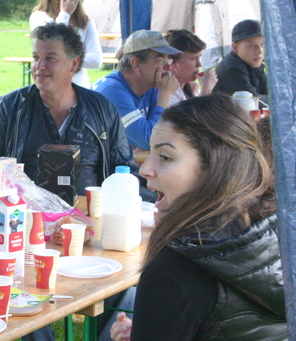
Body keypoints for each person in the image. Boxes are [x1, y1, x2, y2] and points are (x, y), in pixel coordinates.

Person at [0, 22, 148, 341]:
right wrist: (9, 194)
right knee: (21, 301)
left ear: (74, 64)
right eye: (36, 57)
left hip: (89, 233)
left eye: (50, 58)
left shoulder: (100, 109)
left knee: (123, 287)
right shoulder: (10, 108)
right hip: (23, 234)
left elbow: (124, 169)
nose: (38, 66)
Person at [110, 95, 285, 341]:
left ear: (215, 168)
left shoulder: (174, 272)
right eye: (150, 153)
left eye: (165, 157)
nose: (145, 169)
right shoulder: (278, 233)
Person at [92, 30, 180, 151]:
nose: (168, 67)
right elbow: (149, 140)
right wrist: (165, 95)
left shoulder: (151, 88)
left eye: (168, 59)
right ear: (136, 64)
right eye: (161, 60)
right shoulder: (111, 91)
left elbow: (173, 133)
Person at [30, 0, 102, 89]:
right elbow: (52, 45)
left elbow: (96, 60)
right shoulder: (39, 17)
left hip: (80, 88)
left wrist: (62, 58)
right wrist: (65, 14)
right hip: (52, 88)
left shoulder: (85, 22)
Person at [213, 19, 268, 104]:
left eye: (262, 45)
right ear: (235, 47)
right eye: (252, 46)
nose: (259, 51)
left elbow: (272, 93)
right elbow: (253, 103)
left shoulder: (253, 63)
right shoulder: (232, 69)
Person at [164, 29, 218, 106]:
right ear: (172, 62)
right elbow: (184, 117)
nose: (199, 65)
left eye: (199, 58)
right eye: (193, 59)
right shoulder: (166, 91)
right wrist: (206, 90)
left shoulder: (190, 86)